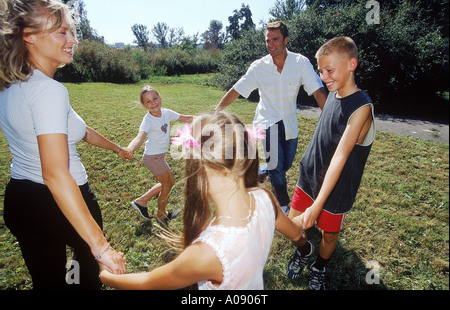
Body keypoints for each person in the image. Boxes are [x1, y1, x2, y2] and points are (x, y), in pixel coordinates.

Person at [0, 0, 128, 289]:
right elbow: (55, 174)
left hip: (22, 199)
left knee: (48, 284)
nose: (73, 40)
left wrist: (116, 148)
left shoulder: (9, 85)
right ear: (28, 36)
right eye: (61, 33)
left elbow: (80, 131)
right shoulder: (49, 91)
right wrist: (101, 247)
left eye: (72, 32)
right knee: (85, 280)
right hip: (64, 202)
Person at [100, 111, 306, 290]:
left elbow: (147, 282)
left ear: (199, 171)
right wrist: (307, 221)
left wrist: (105, 275)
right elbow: (296, 233)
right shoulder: (265, 197)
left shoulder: (208, 253)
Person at [286, 37, 375, 290]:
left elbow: (341, 154)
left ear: (351, 64)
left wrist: (317, 205)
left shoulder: (361, 107)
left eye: (330, 70)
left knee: (330, 233)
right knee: (293, 227)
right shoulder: (333, 94)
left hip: (336, 189)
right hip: (309, 177)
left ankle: (320, 265)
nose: (324, 77)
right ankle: (304, 251)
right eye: (321, 71)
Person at [214, 21, 327, 216]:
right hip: (267, 122)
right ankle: (283, 205)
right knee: (277, 167)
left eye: (275, 39)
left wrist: (329, 119)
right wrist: (216, 112)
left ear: (286, 40)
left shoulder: (300, 63)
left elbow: (317, 91)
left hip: (290, 123)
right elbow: (237, 89)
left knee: (285, 164)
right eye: (268, 40)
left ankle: (264, 170)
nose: (271, 44)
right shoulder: (259, 67)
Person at [127, 85, 193, 223]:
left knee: (170, 182)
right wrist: (129, 150)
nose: (153, 103)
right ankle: (161, 215)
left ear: (160, 98)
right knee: (167, 185)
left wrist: (207, 118)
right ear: (144, 105)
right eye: (148, 102)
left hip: (159, 156)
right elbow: (139, 137)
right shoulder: (148, 121)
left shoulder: (166, 113)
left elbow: (186, 118)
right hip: (152, 158)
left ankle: (142, 201)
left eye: (155, 99)